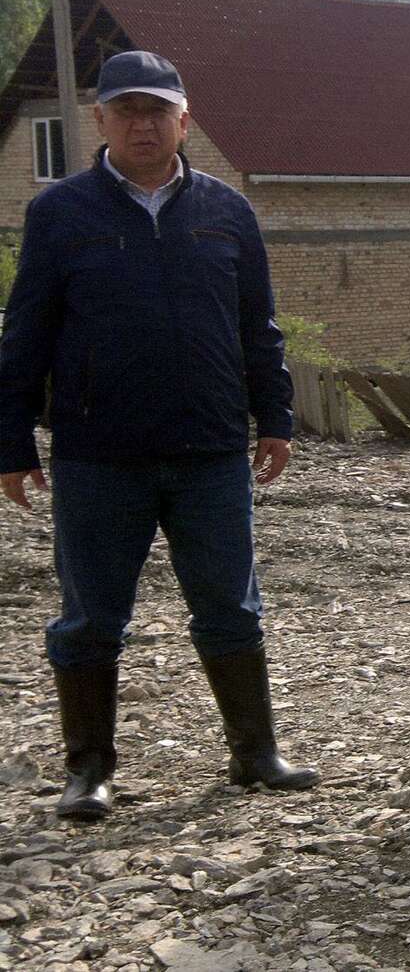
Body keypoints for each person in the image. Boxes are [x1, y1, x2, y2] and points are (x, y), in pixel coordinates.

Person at [0, 50, 317, 821]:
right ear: (100, 120)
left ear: (184, 120)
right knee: (91, 616)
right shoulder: (59, 214)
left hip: (210, 451)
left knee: (231, 607)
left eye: (158, 110)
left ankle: (255, 753)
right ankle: (89, 770)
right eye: (126, 110)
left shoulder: (227, 210)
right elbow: (24, 337)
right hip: (97, 453)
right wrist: (11, 443)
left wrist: (274, 415)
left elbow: (258, 328)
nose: (143, 124)